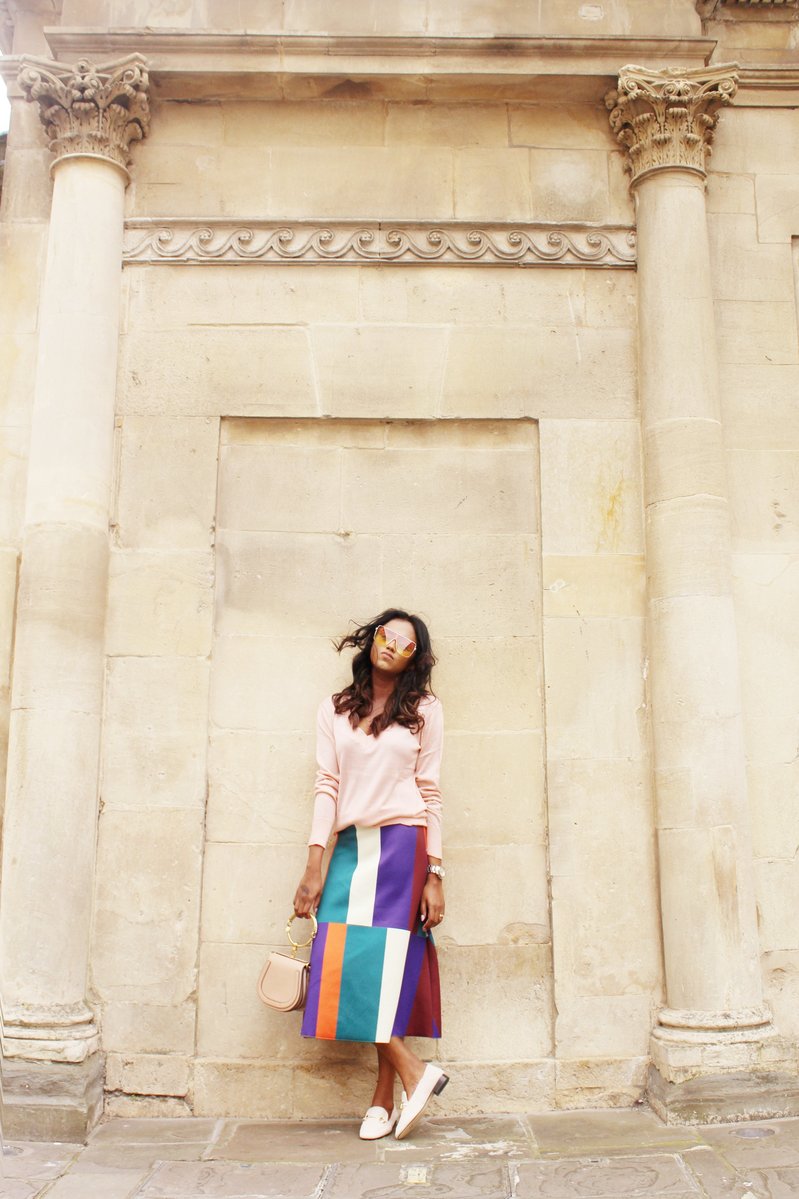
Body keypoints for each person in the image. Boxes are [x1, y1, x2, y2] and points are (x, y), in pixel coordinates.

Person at [293, 608, 449, 1141]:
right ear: (372, 640)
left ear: (414, 658)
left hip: (404, 847)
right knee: (340, 964)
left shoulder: (425, 710)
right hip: (351, 848)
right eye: (387, 635)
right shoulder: (335, 709)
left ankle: (383, 1102)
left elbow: (429, 793)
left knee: (390, 971)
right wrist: (314, 861)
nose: (392, 646)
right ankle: (412, 1071)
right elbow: (326, 785)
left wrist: (436, 873)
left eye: (406, 644)